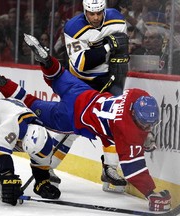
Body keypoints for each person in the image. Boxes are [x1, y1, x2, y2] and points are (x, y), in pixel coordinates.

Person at [0, 33, 172, 212]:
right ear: (136, 116)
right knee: (30, 104)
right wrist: (151, 193)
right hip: (71, 117)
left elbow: (132, 127)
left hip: (82, 93)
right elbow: (134, 170)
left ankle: (45, 60)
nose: (147, 128)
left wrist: (143, 137)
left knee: (57, 75)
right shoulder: (127, 133)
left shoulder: (137, 96)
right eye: (145, 125)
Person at [63, 0, 130, 192]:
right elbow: (82, 63)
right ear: (84, 11)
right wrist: (109, 46)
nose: (95, 17)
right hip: (79, 82)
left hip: (107, 77)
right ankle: (45, 168)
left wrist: (117, 75)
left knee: (112, 121)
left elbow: (123, 50)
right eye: (91, 13)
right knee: (70, 125)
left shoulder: (117, 19)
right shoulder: (73, 27)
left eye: (99, 13)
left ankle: (109, 169)